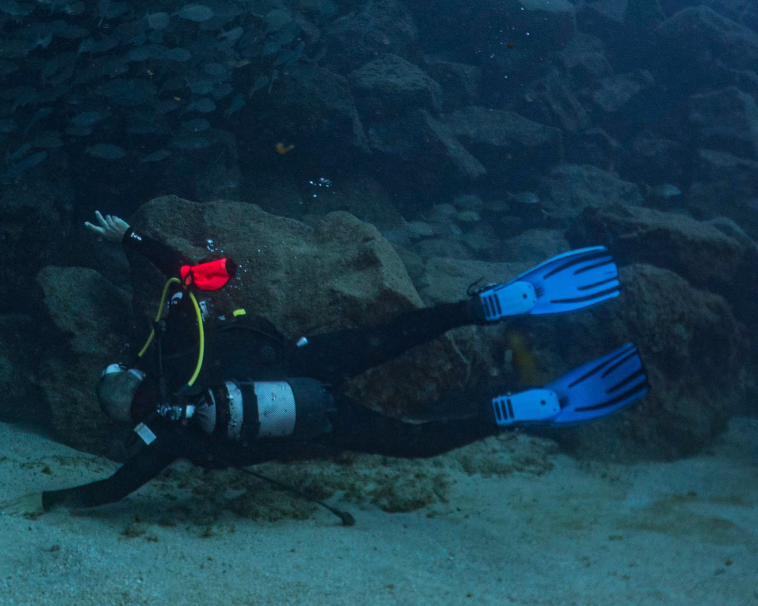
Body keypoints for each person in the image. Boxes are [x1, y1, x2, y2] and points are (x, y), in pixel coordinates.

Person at [41, 211, 646, 514]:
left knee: (415, 445)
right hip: (302, 359)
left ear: (132, 417)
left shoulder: (169, 433)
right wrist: (129, 237)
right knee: (396, 335)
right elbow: (185, 275)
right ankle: (479, 307)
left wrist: (51, 501)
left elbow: (115, 488)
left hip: (312, 418)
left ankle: (513, 411)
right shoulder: (177, 354)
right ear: (131, 375)